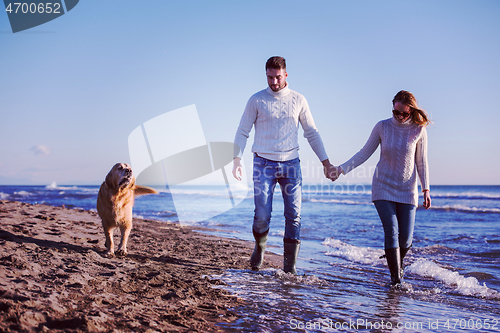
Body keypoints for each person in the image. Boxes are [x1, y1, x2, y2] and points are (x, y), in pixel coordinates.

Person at [232, 56, 338, 274]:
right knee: (262, 214)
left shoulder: (299, 100)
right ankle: (260, 248)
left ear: (286, 75)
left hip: (291, 165)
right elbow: (243, 130)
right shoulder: (256, 100)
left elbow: (312, 133)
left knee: (294, 214)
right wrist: (236, 159)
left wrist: (326, 163)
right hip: (263, 163)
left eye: (277, 77)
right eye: (269, 77)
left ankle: (290, 268)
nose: (273, 82)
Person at [332, 90, 431, 285]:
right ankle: (396, 281)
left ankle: (395, 264)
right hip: (383, 187)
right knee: (392, 231)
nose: (400, 117)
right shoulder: (382, 127)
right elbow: (364, 153)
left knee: (406, 241)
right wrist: (341, 170)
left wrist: (426, 189)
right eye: (397, 112)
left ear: (411, 111)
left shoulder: (419, 130)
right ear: (393, 107)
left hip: (408, 190)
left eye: (405, 113)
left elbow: (422, 161)